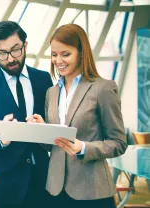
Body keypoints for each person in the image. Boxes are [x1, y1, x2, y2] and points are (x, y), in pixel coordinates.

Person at [28, 23, 127, 208]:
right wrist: (42, 129)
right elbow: (54, 144)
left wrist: (83, 147)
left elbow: (119, 143)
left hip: (92, 191)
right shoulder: (52, 93)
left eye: (66, 54)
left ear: (82, 53)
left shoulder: (103, 88)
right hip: (56, 190)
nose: (58, 61)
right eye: (54, 54)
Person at [0, 21, 53, 208]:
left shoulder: (43, 79)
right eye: (2, 54)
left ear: (26, 46)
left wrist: (44, 126)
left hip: (42, 178)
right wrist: (0, 134)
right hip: (3, 183)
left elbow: (54, 124)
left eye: (16, 50)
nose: (10, 59)